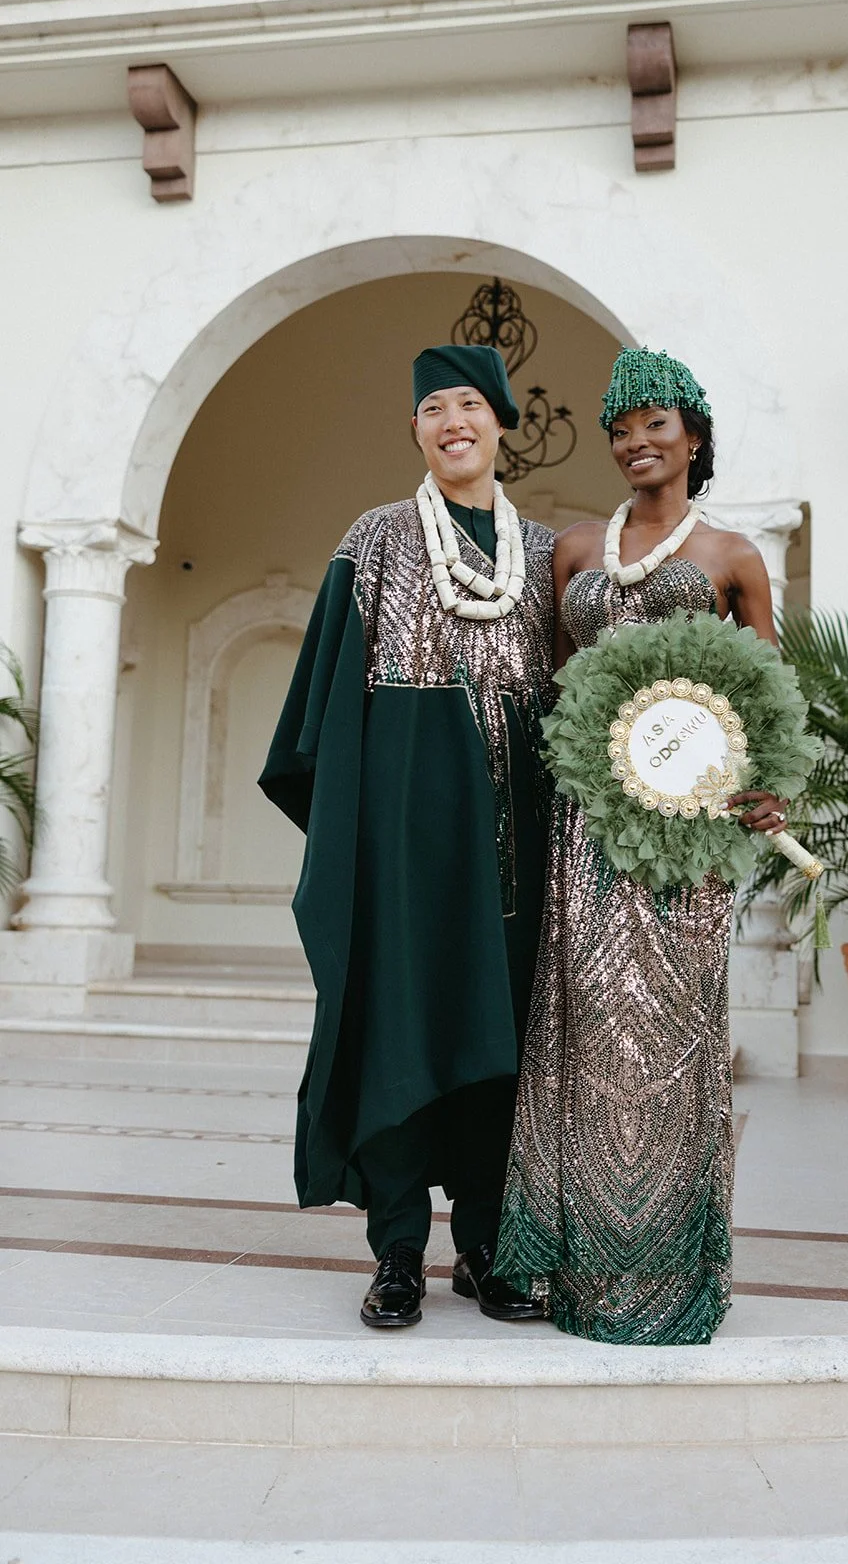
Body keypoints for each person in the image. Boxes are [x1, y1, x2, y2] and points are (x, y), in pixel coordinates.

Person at [494, 346, 790, 1345]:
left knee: (668, 1033)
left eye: (654, 424)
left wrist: (767, 791)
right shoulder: (577, 547)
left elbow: (764, 697)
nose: (634, 442)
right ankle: (577, 1271)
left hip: (684, 835)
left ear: (693, 437)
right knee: (582, 1023)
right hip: (585, 824)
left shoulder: (732, 555)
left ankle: (664, 1277)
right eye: (619, 429)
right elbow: (551, 688)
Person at [260, 344, 554, 1329]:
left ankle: (483, 1246)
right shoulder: (378, 538)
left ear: (501, 421)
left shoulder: (546, 553)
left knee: (498, 1034)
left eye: (469, 404)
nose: (452, 421)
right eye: (433, 408)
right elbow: (325, 705)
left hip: (516, 847)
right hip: (401, 846)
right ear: (417, 430)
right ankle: (396, 1250)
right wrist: (358, 837)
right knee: (398, 1025)